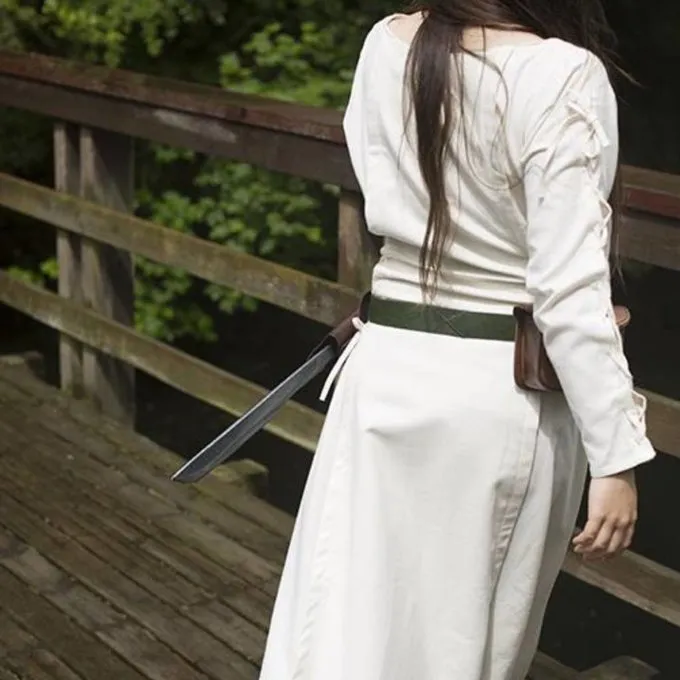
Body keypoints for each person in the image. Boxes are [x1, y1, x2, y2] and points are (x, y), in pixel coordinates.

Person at [258, 2, 657, 679]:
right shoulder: (561, 73)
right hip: (493, 399)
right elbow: (568, 290)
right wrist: (615, 457)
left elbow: (378, 175)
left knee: (343, 625)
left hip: (385, 369)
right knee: (462, 648)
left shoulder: (387, 41)